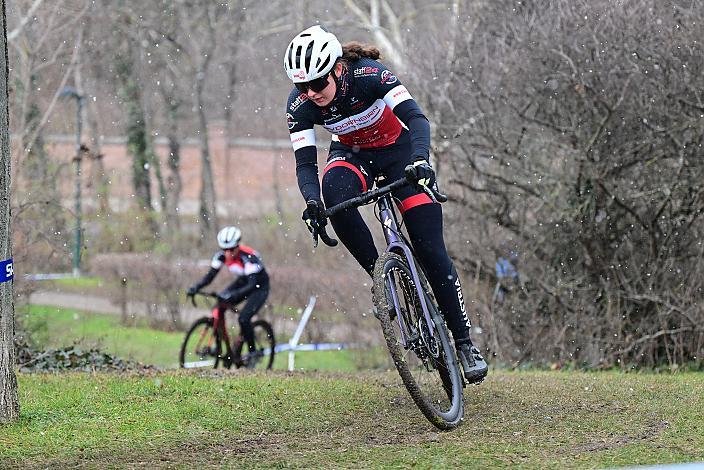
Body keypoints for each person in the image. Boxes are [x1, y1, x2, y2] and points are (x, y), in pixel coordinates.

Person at [283, 25, 487, 383]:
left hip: (400, 152)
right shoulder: (300, 104)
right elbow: (304, 163)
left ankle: (465, 342)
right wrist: (312, 202)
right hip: (353, 155)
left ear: (337, 69)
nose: (311, 93)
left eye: (318, 84)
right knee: (335, 200)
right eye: (303, 87)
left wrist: (421, 160)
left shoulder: (369, 75)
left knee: (431, 251)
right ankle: (384, 279)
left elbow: (417, 118)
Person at [186, 226, 269, 357]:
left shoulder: (248, 256)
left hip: (259, 286)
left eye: (231, 249)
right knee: (220, 303)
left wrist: (234, 296)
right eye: (224, 249)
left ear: (238, 245)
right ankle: (219, 346)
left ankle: (252, 351)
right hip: (244, 281)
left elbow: (252, 285)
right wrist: (195, 287)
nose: (228, 253)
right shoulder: (221, 256)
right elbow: (209, 277)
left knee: (243, 319)